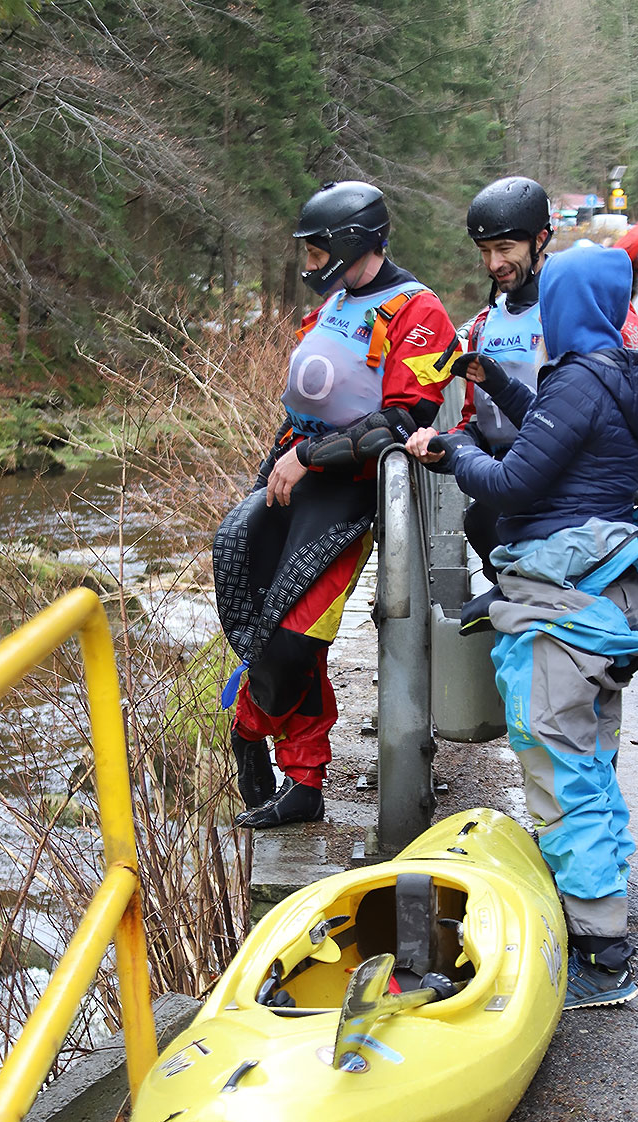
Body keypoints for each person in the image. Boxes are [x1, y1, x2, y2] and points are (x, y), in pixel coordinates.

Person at [406, 245, 638, 1009]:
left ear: (565, 306)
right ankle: (597, 903)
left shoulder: (577, 381)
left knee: (560, 761)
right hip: (611, 588)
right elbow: (563, 434)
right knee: (591, 752)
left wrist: (450, 451)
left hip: (565, 596)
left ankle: (601, 953)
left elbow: (514, 477)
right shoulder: (623, 374)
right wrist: (497, 384)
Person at [213, 179, 459, 829]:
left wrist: (309, 460)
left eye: (318, 252)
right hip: (292, 479)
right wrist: (275, 466)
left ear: (353, 244)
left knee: (292, 642)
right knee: (262, 618)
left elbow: (403, 420)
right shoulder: (331, 307)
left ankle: (245, 725)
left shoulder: (418, 310)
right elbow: (306, 404)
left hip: (350, 493)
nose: (310, 265)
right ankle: (303, 783)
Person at [408, 177, 638, 578]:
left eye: (505, 249)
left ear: (540, 239)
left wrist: (626, 476)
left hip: (571, 503)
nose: (493, 264)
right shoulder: (485, 325)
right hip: (509, 486)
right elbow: (477, 419)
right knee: (483, 525)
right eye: (484, 251)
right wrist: (450, 446)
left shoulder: (584, 309)